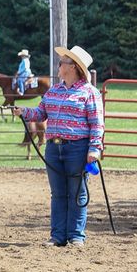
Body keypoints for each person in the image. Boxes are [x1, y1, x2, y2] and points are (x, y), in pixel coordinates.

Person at [12, 45, 105, 247]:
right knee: (58, 193)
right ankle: (57, 236)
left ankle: (76, 236)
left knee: (77, 192)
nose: (59, 64)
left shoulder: (90, 93)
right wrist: (24, 112)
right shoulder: (53, 91)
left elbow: (97, 123)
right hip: (54, 149)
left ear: (73, 67)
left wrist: (94, 149)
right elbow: (41, 113)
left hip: (77, 148)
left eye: (62, 62)